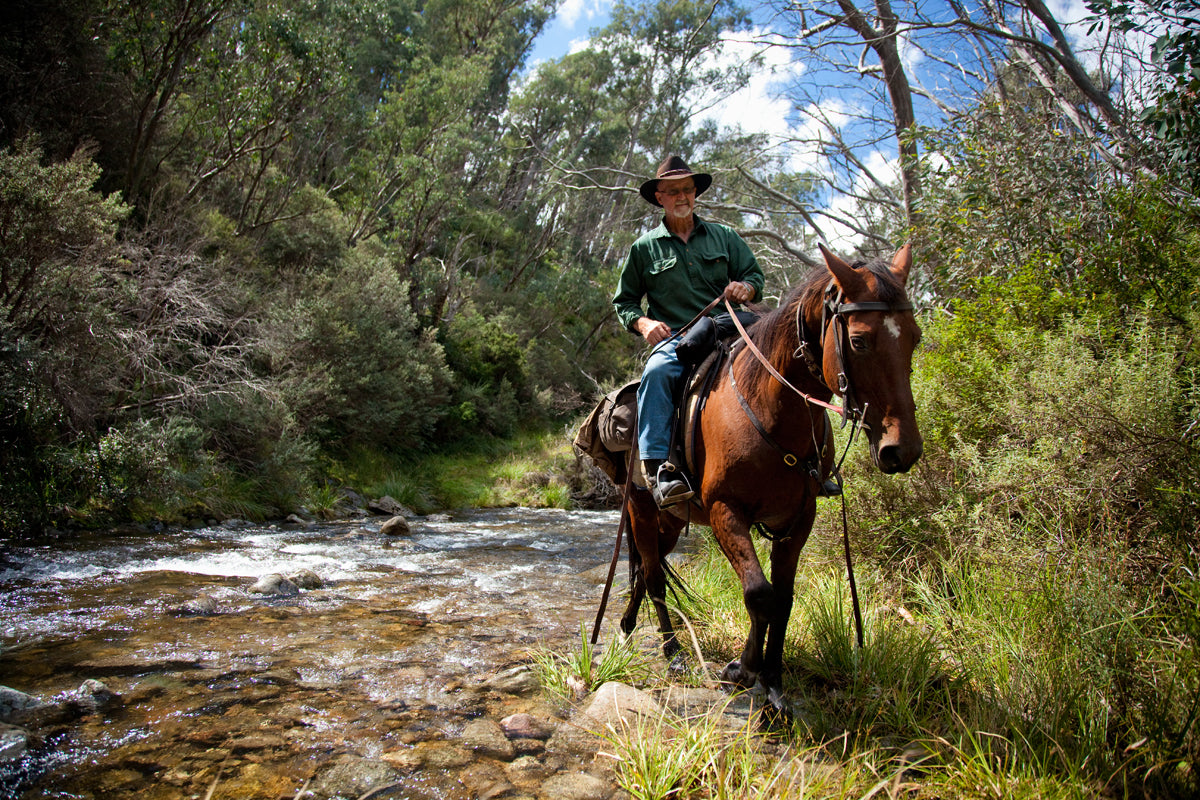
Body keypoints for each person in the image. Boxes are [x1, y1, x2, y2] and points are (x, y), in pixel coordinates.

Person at [612, 156, 764, 507]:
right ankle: (659, 469)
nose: (682, 197)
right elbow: (625, 302)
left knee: (782, 356)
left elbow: (754, 276)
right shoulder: (644, 248)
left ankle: (815, 460)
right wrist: (645, 323)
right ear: (659, 198)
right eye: (673, 191)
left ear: (695, 193)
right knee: (657, 371)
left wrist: (746, 288)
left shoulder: (724, 236)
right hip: (678, 339)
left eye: (688, 190)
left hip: (730, 328)